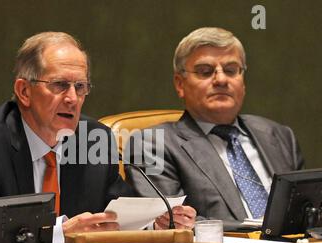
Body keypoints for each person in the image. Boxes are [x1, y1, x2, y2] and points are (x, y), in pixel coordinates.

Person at [0, 32, 196, 243]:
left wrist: (155, 224)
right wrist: (57, 233)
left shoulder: (95, 139)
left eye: (80, 87)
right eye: (59, 85)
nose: (72, 98)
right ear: (24, 91)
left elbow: (118, 213)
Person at [126, 27, 304, 231]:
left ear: (243, 81)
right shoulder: (153, 144)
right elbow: (170, 222)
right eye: (205, 71)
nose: (221, 80)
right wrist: (256, 231)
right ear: (180, 84)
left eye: (231, 70)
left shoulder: (279, 135)